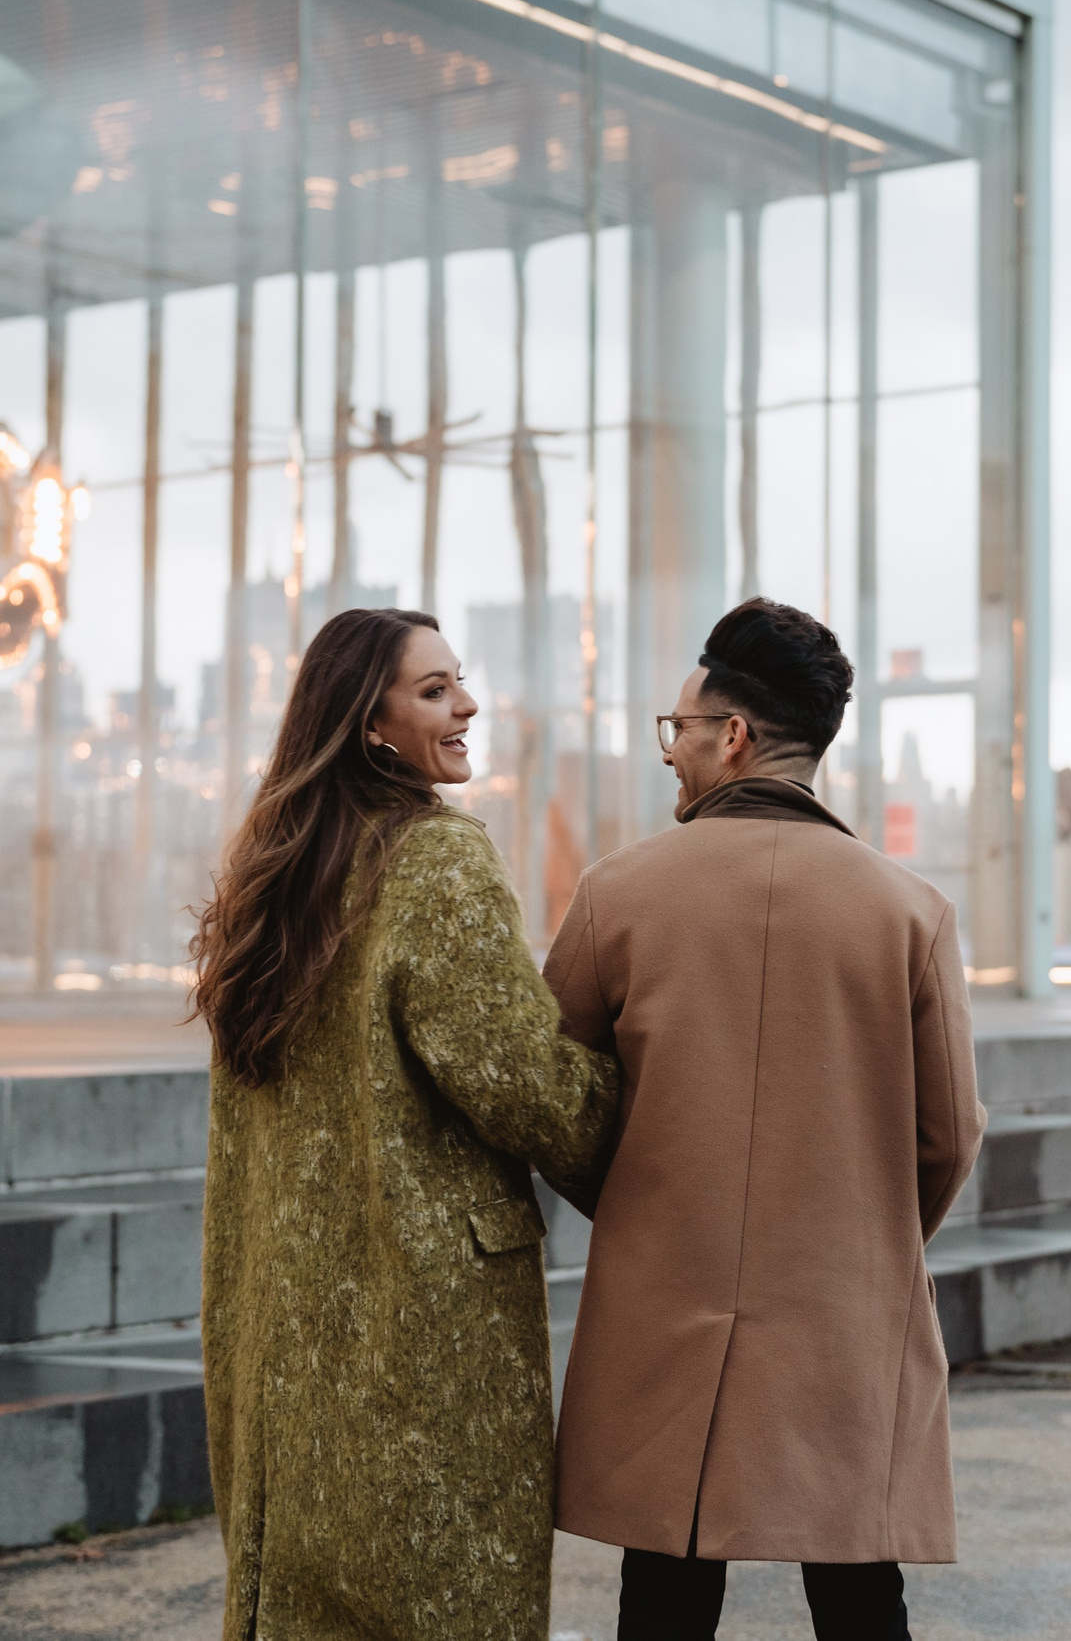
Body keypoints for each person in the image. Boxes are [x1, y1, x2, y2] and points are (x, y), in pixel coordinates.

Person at [543, 598, 987, 1641]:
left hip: (667, 1292)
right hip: (843, 1299)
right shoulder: (908, 910)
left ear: (731, 736)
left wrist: (639, 1202)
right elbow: (948, 1134)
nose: (672, 755)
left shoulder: (619, 894)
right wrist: (865, 1237)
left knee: (664, 1580)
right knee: (858, 1587)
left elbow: (553, 1097)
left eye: (680, 731)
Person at [190, 607, 620, 1641]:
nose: (467, 703)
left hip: (281, 1317)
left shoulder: (274, 876)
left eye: (458, 681)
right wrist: (636, 1074)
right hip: (420, 1321)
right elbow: (529, 1088)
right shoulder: (435, 861)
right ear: (368, 725)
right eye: (434, 690)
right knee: (442, 1591)